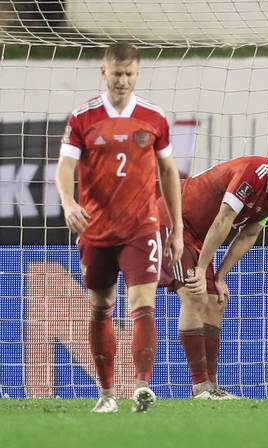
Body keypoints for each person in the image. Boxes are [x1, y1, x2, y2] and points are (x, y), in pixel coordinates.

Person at [56, 43, 184, 413]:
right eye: (117, 74)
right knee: (100, 307)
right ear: (104, 73)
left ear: (137, 74)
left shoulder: (154, 117)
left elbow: (169, 172)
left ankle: (142, 386)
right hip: (96, 228)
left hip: (141, 227)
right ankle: (106, 393)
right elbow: (64, 168)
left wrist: (174, 228)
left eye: (129, 74)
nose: (123, 81)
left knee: (143, 302)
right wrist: (68, 203)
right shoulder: (83, 118)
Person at [158, 155, 268, 399]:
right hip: (173, 223)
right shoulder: (252, 172)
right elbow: (223, 219)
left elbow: (250, 233)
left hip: (199, 238)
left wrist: (221, 275)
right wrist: (202, 269)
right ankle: (200, 386)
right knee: (195, 294)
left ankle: (211, 388)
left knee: (216, 301)